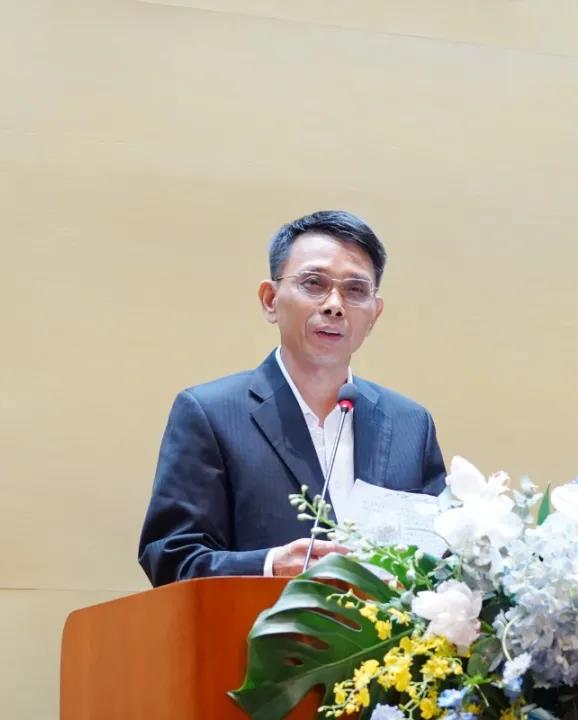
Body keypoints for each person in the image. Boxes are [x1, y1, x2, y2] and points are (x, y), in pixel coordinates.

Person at [138, 210, 447, 584]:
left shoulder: (409, 425)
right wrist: (270, 565)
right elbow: (171, 557)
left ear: (375, 313)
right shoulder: (210, 414)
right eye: (314, 283)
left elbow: (441, 560)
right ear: (270, 300)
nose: (334, 305)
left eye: (355, 290)